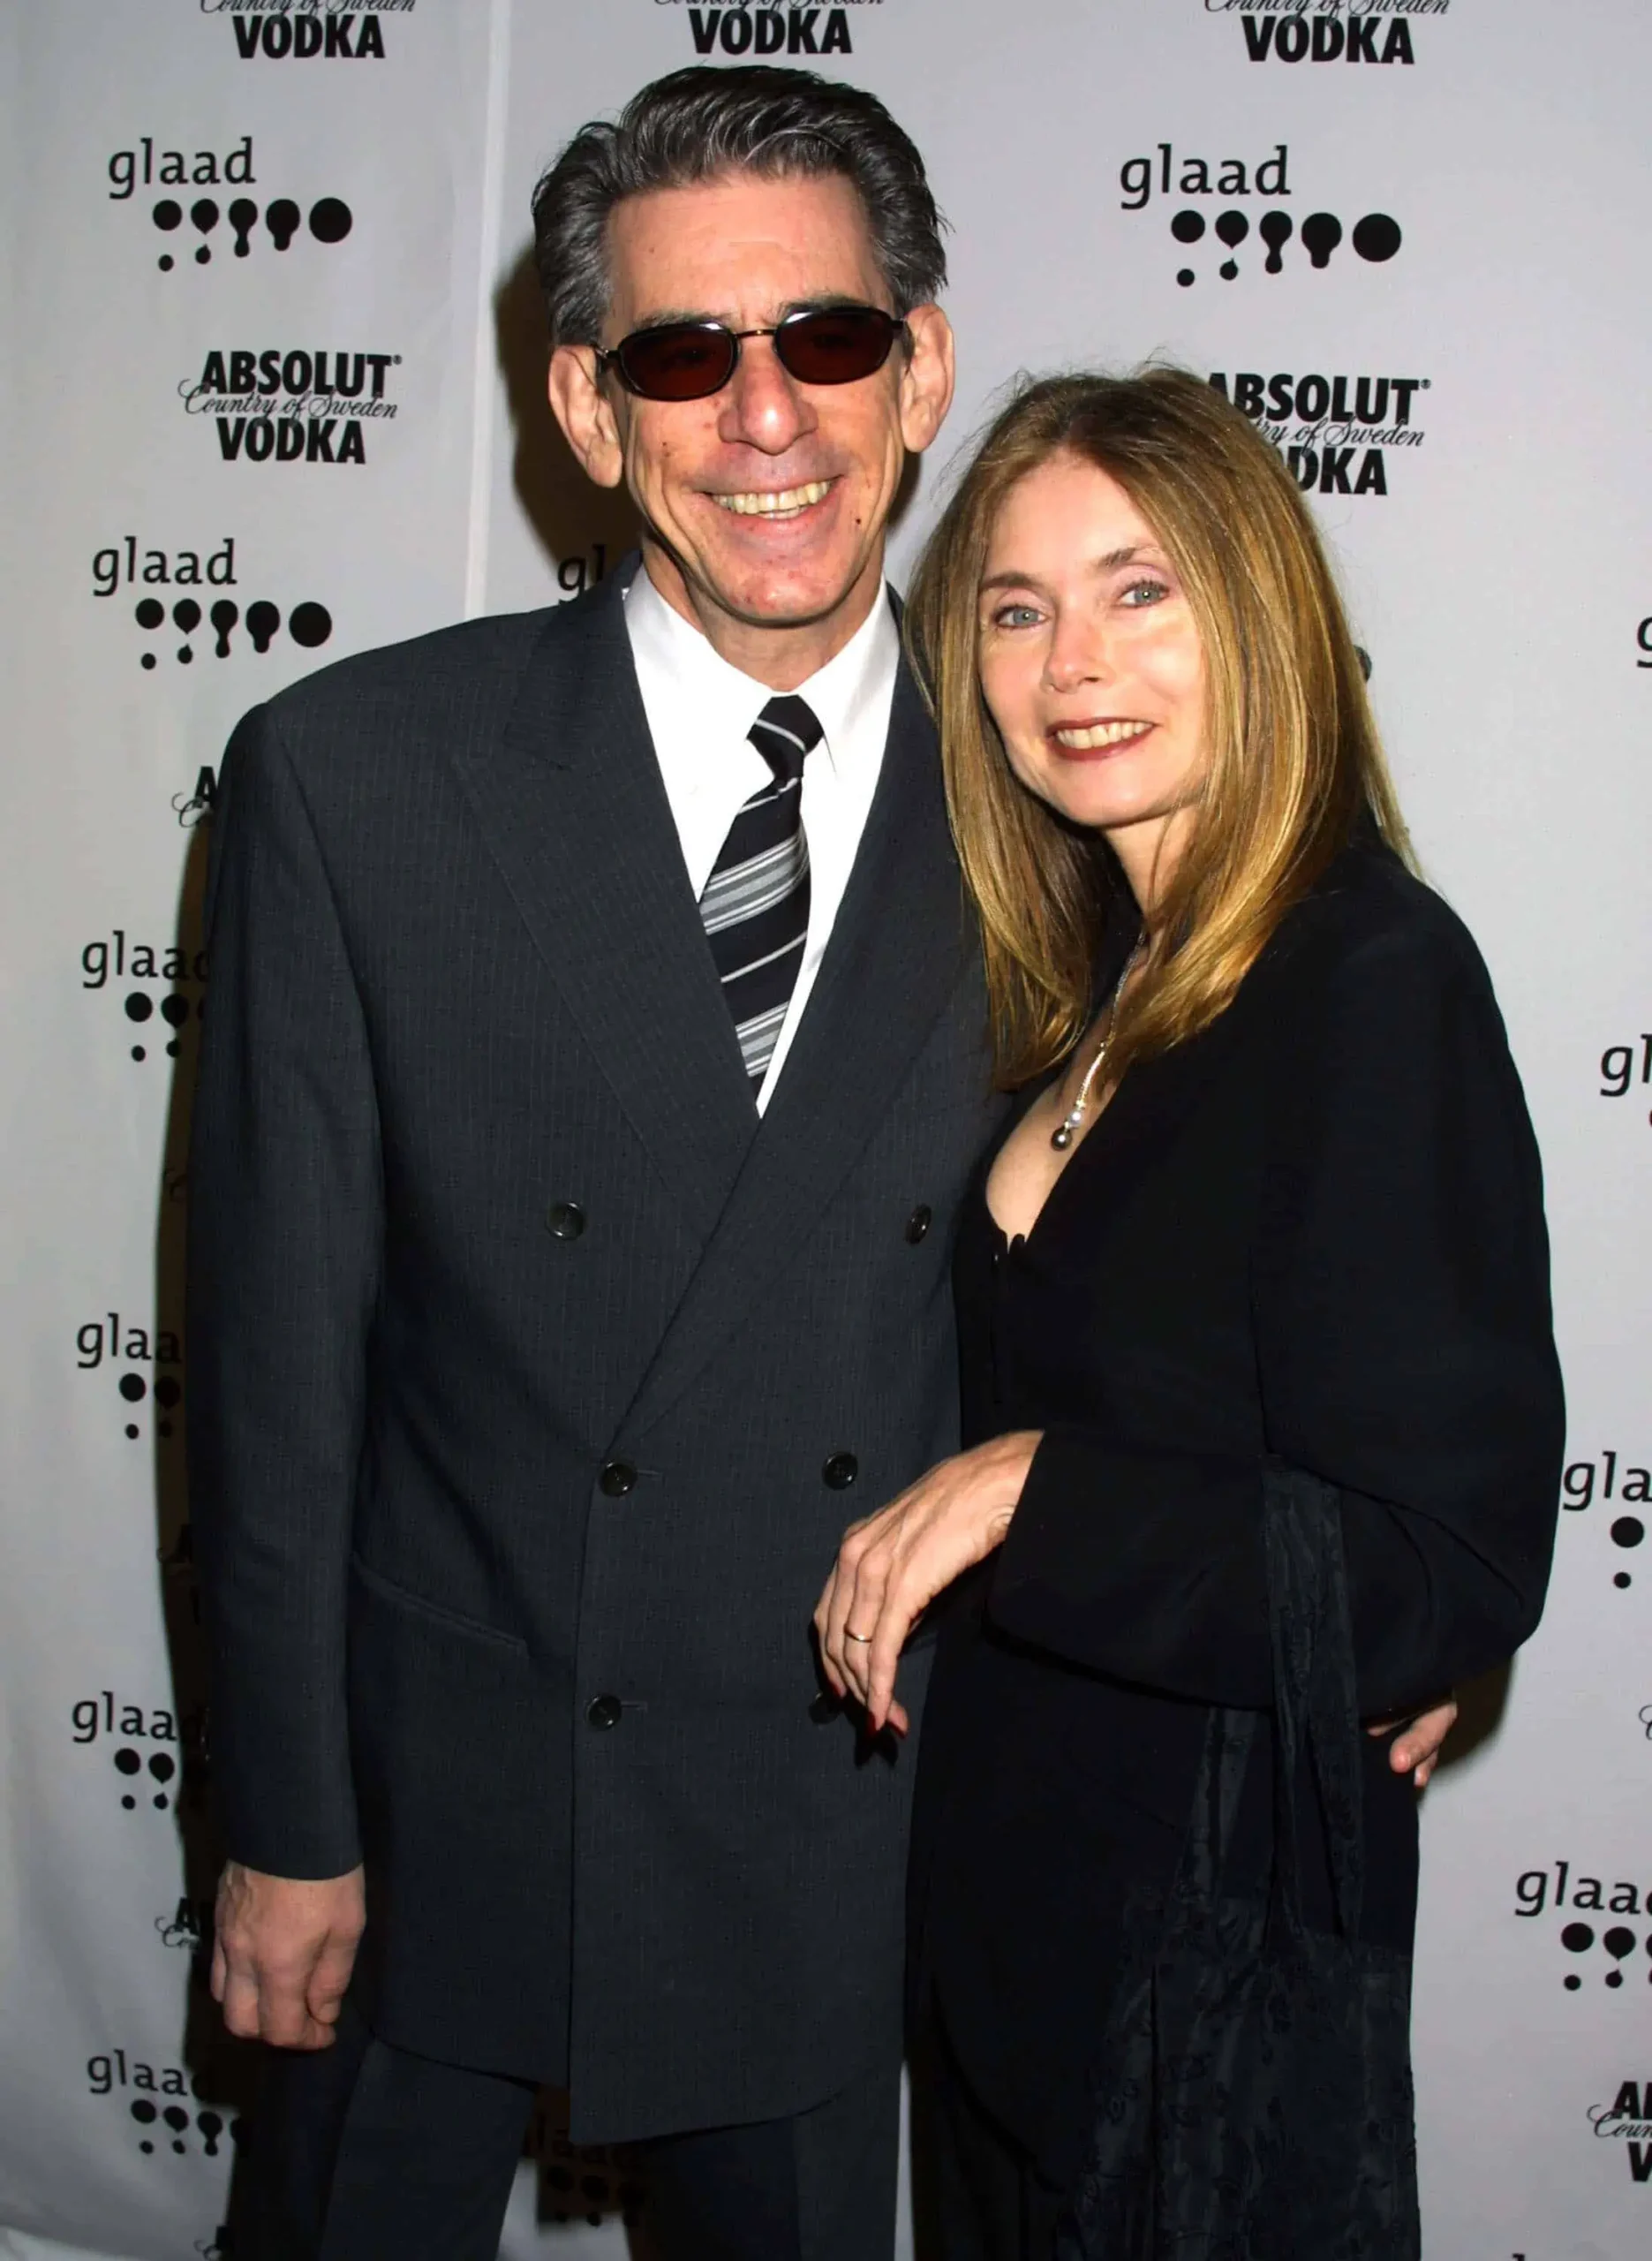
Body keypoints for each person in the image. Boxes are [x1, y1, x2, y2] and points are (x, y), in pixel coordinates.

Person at [814, 368, 1564, 2257]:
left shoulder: (1367, 973)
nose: (1071, 657)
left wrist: (1028, 1491)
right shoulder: (1084, 975)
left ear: (1257, 611)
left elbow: (1439, 1562)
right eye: (1011, 604)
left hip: (1202, 1978)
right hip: (1002, 1910)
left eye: (1137, 588)